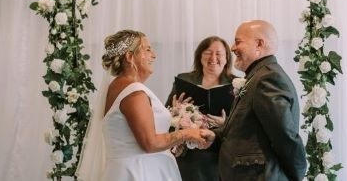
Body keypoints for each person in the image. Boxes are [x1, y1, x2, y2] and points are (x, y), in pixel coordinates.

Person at [76, 29, 206, 181]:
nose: (154, 55)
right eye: (147, 49)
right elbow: (150, 143)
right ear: (130, 57)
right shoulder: (133, 93)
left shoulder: (118, 87)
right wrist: (187, 133)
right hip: (139, 172)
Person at [201, 20, 307, 181]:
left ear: (259, 44)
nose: (232, 48)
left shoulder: (268, 78)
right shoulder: (257, 76)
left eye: (238, 42)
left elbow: (285, 136)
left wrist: (296, 175)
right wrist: (215, 136)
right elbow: (246, 130)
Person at [165, 36, 237, 181]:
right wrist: (176, 110)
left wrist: (225, 123)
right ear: (200, 56)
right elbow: (166, 117)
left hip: (219, 153)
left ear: (227, 58)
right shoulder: (184, 79)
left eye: (219, 53)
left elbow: (244, 122)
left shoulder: (237, 84)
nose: (213, 57)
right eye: (208, 52)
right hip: (189, 154)